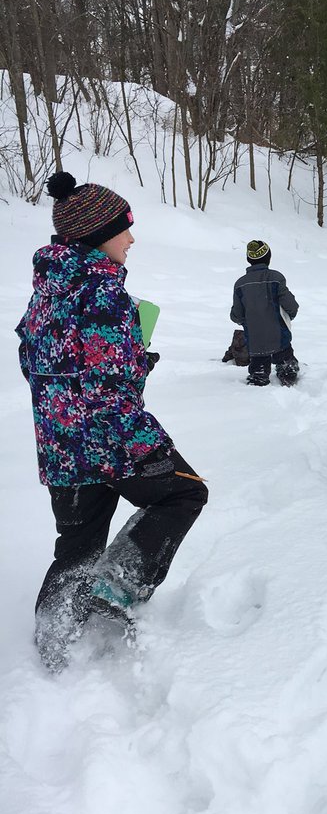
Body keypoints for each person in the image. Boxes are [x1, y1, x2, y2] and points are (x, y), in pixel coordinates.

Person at [16, 171, 208, 671]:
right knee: (186, 493)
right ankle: (114, 590)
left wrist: (130, 361)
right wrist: (146, 444)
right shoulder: (103, 293)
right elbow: (107, 391)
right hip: (110, 441)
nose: (131, 238)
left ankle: (53, 648)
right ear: (98, 234)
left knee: (77, 545)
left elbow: (36, 365)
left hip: (60, 446)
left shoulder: (45, 293)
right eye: (124, 228)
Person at [230, 240, 299, 386]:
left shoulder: (240, 284)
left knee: (258, 369)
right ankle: (287, 372)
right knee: (287, 363)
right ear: (268, 257)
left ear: (249, 259)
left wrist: (246, 321)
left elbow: (237, 315)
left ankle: (259, 376)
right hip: (279, 337)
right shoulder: (276, 278)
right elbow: (291, 305)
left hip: (255, 340)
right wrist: (290, 316)